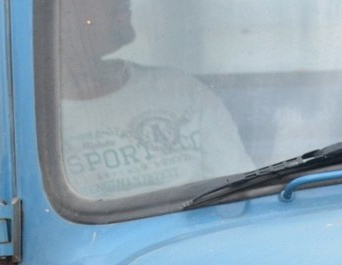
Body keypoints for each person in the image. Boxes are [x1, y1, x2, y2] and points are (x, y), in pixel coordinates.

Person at [57, 0, 253, 199]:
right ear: (65, 16)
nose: (124, 3)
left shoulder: (179, 89)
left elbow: (238, 192)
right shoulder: (37, 122)